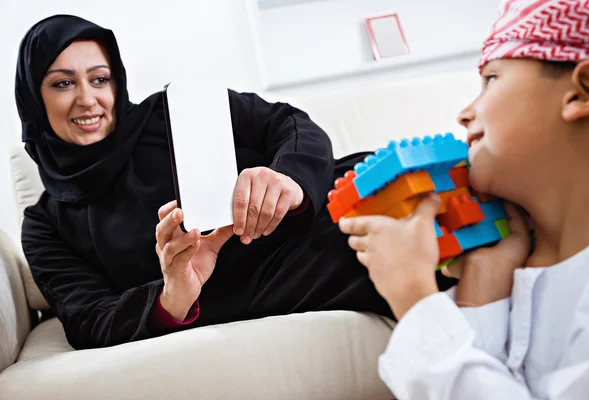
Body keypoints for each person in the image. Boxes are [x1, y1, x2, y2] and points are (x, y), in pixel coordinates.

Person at [14, 14, 457, 350]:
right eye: (63, 83)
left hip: (320, 206)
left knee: (443, 194)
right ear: (35, 98)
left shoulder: (172, 110)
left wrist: (288, 181)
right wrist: (172, 296)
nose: (87, 98)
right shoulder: (45, 225)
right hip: (270, 283)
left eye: (99, 79)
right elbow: (89, 320)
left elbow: (290, 124)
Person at [340, 0, 589, 398]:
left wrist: (413, 297)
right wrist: (484, 289)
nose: (465, 113)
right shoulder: (515, 268)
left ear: (582, 91)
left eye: (492, 79)